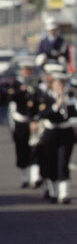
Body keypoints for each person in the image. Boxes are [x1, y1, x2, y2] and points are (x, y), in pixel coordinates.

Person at [36, 67, 77, 204]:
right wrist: (57, 105)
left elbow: (74, 115)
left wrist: (66, 103)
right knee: (50, 164)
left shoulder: (69, 99)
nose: (60, 86)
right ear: (52, 84)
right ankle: (53, 191)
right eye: (57, 83)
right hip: (50, 133)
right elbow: (44, 115)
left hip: (65, 134)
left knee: (63, 163)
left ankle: (64, 194)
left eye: (62, 83)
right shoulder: (46, 97)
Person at [2, 58, 42, 188]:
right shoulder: (16, 84)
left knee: (36, 148)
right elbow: (9, 98)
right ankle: (25, 177)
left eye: (29, 70)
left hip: (35, 121)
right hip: (20, 120)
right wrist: (22, 90)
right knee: (22, 148)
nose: (26, 72)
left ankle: (35, 176)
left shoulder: (37, 83)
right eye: (24, 70)